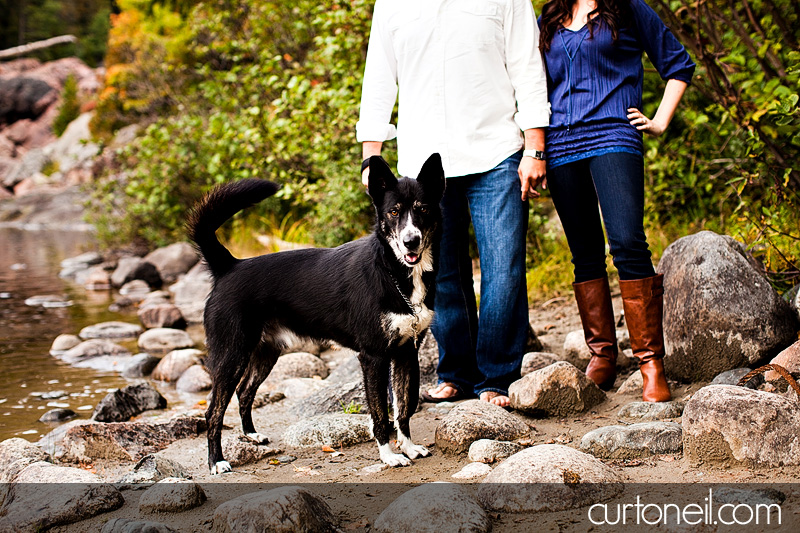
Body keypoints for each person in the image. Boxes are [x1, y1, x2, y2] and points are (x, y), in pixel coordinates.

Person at [357, 0, 550, 406]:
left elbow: (527, 65)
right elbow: (379, 77)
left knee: (505, 268)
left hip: (495, 152)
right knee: (441, 276)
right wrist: (370, 156)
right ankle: (457, 374)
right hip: (422, 170)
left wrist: (535, 147)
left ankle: (496, 377)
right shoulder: (391, 5)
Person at [538, 0, 695, 401]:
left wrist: (658, 120)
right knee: (584, 252)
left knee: (626, 241)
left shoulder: (627, 9)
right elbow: (531, 84)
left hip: (613, 134)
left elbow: (679, 65)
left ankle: (650, 363)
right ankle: (603, 354)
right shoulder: (549, 19)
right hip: (561, 144)